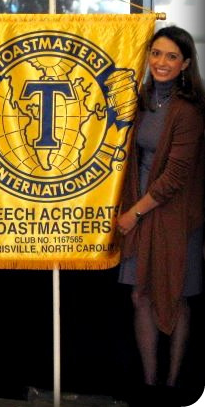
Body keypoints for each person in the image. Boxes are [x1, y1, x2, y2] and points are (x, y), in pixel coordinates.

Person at [117, 25, 205, 406]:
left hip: (176, 218)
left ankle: (174, 387)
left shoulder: (188, 111)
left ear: (185, 63)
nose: (161, 62)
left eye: (171, 56)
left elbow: (174, 176)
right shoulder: (140, 102)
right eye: (156, 54)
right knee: (140, 296)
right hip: (142, 212)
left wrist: (133, 214)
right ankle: (149, 384)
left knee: (177, 297)